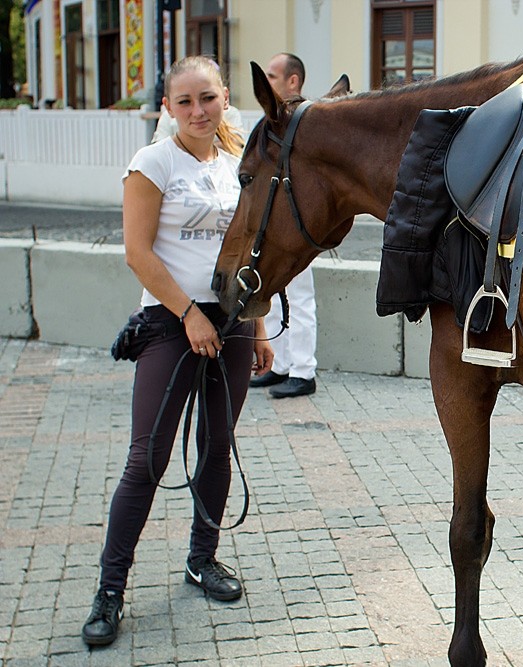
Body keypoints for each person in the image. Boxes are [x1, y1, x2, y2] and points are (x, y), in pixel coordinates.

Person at [81, 56, 273, 648]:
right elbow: (138, 253)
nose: (197, 111)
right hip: (170, 323)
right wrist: (188, 315)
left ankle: (201, 558)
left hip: (231, 322)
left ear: (223, 99)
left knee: (217, 446)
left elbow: (253, 255)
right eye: (185, 101)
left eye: (207, 99)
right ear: (167, 107)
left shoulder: (239, 162)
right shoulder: (153, 162)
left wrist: (259, 326)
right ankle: (110, 590)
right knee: (147, 459)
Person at [249, 52, 318, 398]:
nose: (267, 83)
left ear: (293, 81)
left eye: (273, 77)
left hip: (297, 221)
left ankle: (304, 371)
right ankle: (281, 364)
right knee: (273, 291)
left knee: (301, 297)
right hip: (275, 221)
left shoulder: (305, 121)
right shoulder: (277, 122)